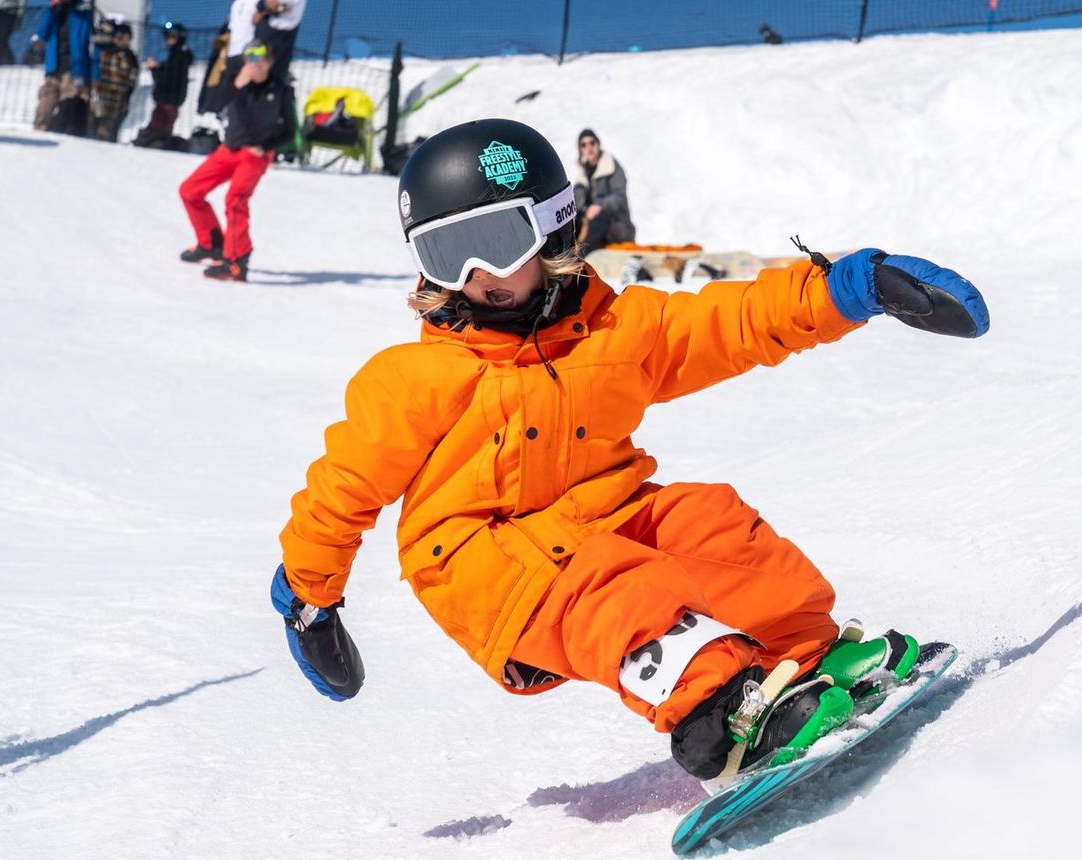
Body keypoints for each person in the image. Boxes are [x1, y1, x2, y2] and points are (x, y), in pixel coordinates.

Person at [270, 119, 989, 783]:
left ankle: (804, 661)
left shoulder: (615, 331)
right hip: (487, 565)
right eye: (446, 253)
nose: (476, 274)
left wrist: (846, 289)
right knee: (621, 586)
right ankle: (723, 719)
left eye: (495, 241)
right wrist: (309, 598)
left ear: (551, 229)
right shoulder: (410, 379)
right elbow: (342, 493)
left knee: (709, 524)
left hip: (603, 520)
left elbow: (731, 323)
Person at [176, 40, 291, 282]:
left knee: (235, 200)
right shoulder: (237, 82)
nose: (255, 66)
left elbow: (291, 132)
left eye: (260, 60)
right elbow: (213, 104)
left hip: (254, 155)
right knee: (190, 191)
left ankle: (237, 260)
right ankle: (211, 244)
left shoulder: (281, 90)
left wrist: (265, 147)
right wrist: (237, 84)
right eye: (251, 60)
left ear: (270, 62)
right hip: (229, 150)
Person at [30, 0, 93, 134]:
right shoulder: (54, 12)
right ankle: (39, 133)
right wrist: (52, 10)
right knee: (45, 105)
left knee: (68, 107)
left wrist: (83, 73)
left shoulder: (83, 13)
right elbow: (43, 33)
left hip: (73, 69)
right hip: (54, 67)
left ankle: (64, 139)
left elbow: (88, 36)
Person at [573, 127, 635, 254]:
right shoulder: (582, 175)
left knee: (600, 218)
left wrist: (599, 206)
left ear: (598, 144)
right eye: (584, 145)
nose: (589, 148)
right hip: (591, 226)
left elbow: (620, 198)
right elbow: (576, 205)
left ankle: (582, 257)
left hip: (618, 225)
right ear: (580, 150)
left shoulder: (611, 166)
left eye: (592, 143)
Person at [134, 19, 192, 148]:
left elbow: (167, 79)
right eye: (167, 36)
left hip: (167, 103)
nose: (168, 40)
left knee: (158, 136)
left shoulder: (179, 56)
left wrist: (155, 69)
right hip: (166, 103)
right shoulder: (177, 56)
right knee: (154, 133)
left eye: (172, 36)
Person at [254, 0, 305, 86]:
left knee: (266, 84)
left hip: (276, 44)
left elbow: (265, 4)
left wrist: (265, 9)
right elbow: (260, 9)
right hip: (267, 43)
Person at [220, 0, 270, 87]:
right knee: (234, 102)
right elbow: (231, 32)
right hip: (233, 56)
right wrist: (224, 56)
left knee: (252, 97)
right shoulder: (236, 3)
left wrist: (262, 13)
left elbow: (272, 9)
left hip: (252, 53)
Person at [89, 19, 137, 142]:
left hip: (115, 102)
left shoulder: (130, 57)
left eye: (124, 37)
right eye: (118, 36)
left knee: (106, 133)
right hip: (99, 97)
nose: (120, 39)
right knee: (91, 128)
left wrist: (126, 100)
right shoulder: (105, 50)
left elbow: (131, 82)